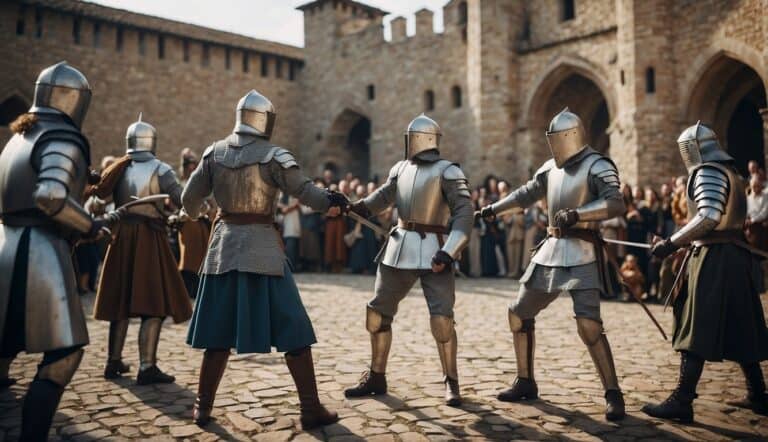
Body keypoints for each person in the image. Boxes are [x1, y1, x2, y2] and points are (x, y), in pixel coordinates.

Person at [183, 90, 345, 429]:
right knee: (294, 327)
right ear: (266, 120)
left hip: (223, 248)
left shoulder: (214, 153)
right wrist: (332, 198)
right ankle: (310, 408)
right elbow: (309, 194)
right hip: (263, 250)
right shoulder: (274, 156)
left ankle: (203, 407)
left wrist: (205, 211)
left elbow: (188, 199)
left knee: (216, 333)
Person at [479, 108, 626, 420]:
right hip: (550, 250)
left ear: (570, 136)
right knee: (519, 314)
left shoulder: (597, 164)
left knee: (589, 325)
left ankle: (613, 392)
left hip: (582, 250)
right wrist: (495, 208)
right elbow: (525, 195)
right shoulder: (550, 168)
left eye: (557, 138)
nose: (553, 144)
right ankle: (524, 381)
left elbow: (615, 202)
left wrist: (579, 214)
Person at [0, 62, 113, 440]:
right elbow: (50, 196)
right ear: (77, 100)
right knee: (64, 353)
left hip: (5, 244)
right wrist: (91, 225)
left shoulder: (18, 137)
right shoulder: (61, 136)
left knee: (5, 343)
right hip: (38, 249)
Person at [344, 114, 473, 406]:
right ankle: (376, 375)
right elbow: (380, 199)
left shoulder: (449, 171)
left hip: (435, 251)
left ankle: (451, 381)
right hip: (399, 247)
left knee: (442, 320)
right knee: (377, 314)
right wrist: (354, 207)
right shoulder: (400, 169)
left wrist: (449, 251)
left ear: (416, 139)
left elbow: (464, 215)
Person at [643, 122, 768, 422]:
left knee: (697, 323)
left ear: (692, 149)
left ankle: (683, 399)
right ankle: (758, 394)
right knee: (741, 324)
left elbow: (709, 216)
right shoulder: (733, 173)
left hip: (715, 256)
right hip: (734, 255)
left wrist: (671, 243)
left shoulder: (708, 170)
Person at [91, 115, 192, 384]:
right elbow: (184, 198)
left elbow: (98, 200)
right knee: (154, 304)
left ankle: (113, 362)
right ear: (152, 142)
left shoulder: (118, 168)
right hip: (148, 238)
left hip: (121, 236)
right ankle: (147, 366)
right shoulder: (160, 169)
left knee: (121, 301)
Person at [173, 148, 212, 298]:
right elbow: (174, 201)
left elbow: (209, 201)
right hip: (187, 223)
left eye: (194, 163)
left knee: (201, 258)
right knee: (188, 258)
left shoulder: (201, 182)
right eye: (189, 163)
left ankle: (198, 290)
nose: (192, 166)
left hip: (201, 223)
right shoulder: (179, 182)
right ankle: (185, 291)